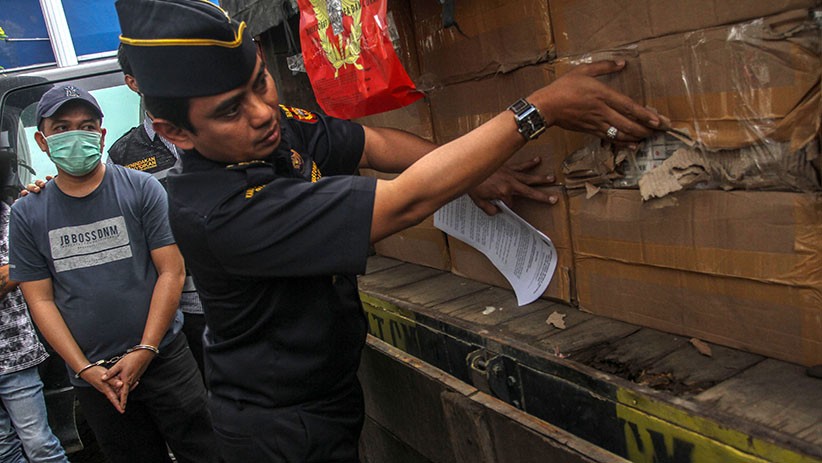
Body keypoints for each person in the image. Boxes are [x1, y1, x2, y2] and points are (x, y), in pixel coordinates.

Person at [115, 0, 660, 461]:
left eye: (261, 81)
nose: (263, 112)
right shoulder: (219, 210)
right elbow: (403, 202)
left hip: (328, 391)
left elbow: (371, 144)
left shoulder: (270, 128)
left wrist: (476, 171)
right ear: (176, 134)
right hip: (275, 428)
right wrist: (537, 110)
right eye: (232, 110)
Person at [8, 84, 219, 463]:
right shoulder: (28, 213)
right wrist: (84, 368)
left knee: (205, 451)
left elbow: (171, 271)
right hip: (94, 378)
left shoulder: (142, 189)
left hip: (165, 358)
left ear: (101, 135)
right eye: (61, 128)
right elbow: (38, 298)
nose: (75, 135)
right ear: (42, 141)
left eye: (87, 125)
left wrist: (146, 349)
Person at [108, 44, 207, 379]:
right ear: (132, 82)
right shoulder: (122, 154)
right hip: (181, 312)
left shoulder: (218, 126)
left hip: (246, 293)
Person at [0, 201, 67, 463]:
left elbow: (18, 267)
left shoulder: (10, 215)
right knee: (3, 449)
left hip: (16, 354)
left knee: (40, 445)